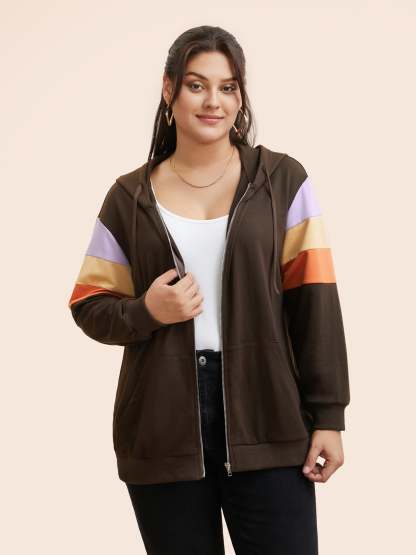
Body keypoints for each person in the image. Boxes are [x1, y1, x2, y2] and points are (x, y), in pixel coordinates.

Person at [68, 25, 350, 555]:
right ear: (169, 88)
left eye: (228, 87)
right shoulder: (128, 198)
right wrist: (147, 311)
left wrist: (329, 416)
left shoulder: (282, 182)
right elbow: (89, 303)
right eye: (197, 85)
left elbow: (315, 302)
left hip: (269, 416)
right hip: (162, 429)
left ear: (241, 96)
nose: (213, 101)